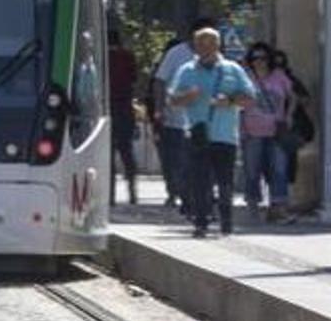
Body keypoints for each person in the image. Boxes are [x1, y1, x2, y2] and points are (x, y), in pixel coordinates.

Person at [169, 27, 256, 238]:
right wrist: (187, 97)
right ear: (195, 47)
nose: (205, 48)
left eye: (210, 44)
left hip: (225, 136)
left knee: (225, 183)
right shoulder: (187, 70)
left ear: (218, 45)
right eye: (201, 44)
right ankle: (201, 223)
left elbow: (250, 98)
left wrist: (231, 101)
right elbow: (172, 100)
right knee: (200, 181)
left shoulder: (232, 69)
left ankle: (227, 223)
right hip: (198, 134)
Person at [153, 18, 216, 211]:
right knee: (182, 163)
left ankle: (202, 198)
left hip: (209, 121)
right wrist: (159, 108)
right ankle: (187, 197)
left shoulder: (217, 57)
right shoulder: (176, 54)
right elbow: (160, 81)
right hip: (178, 120)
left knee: (206, 163)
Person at [241, 42, 295, 223]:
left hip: (276, 131)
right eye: (255, 58)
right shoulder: (246, 77)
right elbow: (237, 101)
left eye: (263, 58)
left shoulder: (278, 76)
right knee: (252, 170)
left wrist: (288, 116)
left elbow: (292, 96)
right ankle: (253, 205)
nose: (259, 62)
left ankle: (278, 207)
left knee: (279, 169)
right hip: (252, 131)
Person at [273, 49, 314, 185]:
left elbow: (306, 99)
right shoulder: (265, 80)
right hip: (268, 125)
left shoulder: (292, 80)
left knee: (288, 159)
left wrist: (293, 102)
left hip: (289, 126)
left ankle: (287, 191)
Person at [108, 30, 139, 206]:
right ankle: (132, 191)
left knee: (109, 153)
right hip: (125, 107)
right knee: (126, 151)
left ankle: (110, 194)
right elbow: (134, 79)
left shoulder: (102, 57)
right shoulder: (127, 56)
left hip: (107, 107)